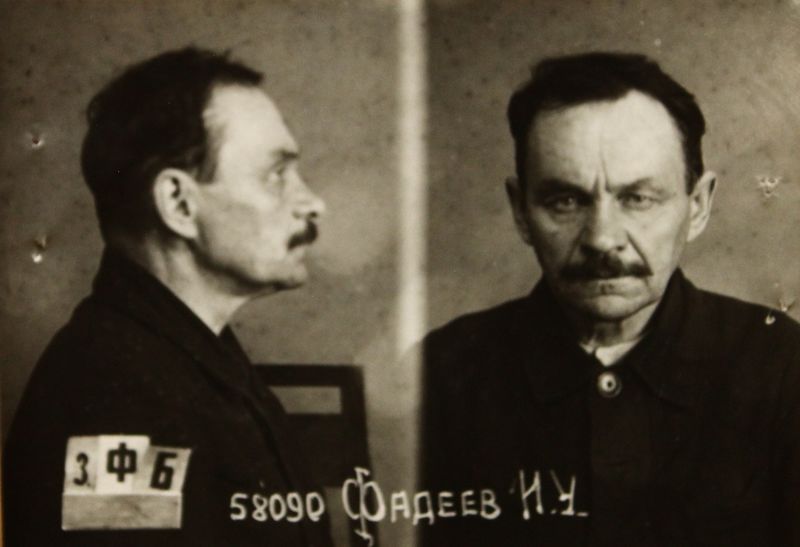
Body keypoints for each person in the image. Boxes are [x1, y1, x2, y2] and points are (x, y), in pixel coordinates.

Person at [420, 52, 800, 546]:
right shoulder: (439, 377)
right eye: (566, 200)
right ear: (521, 212)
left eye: (638, 199)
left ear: (698, 206)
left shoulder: (784, 368)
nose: (602, 238)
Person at [3, 47, 332, 546]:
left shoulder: (192, 359)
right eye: (276, 174)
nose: (313, 203)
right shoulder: (114, 394)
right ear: (179, 204)